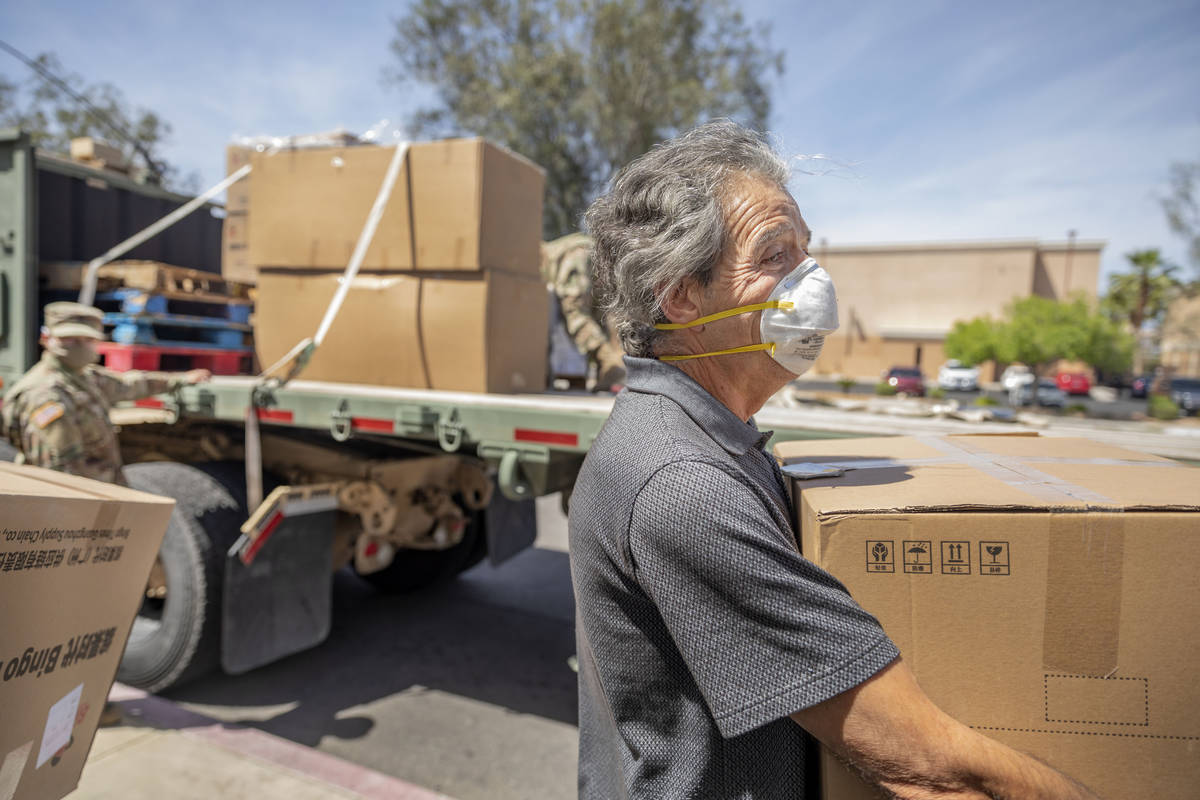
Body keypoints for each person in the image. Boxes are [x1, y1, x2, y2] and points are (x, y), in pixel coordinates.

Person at [568, 120, 1099, 799]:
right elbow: (924, 766)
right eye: (774, 256)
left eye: (806, 252)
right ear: (681, 294)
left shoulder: (702, 435)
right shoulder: (684, 485)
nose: (811, 282)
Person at [3, 302, 211, 487]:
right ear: (46, 338)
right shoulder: (45, 395)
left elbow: (129, 385)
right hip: (75, 503)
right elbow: (61, 473)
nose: (80, 346)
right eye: (70, 339)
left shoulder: (84, 376)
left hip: (97, 492)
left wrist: (180, 380)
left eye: (87, 339)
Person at [540, 232, 626, 391]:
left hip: (577, 256)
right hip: (594, 252)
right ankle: (616, 367)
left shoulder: (530, 256)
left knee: (575, 313)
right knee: (603, 315)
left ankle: (609, 363)